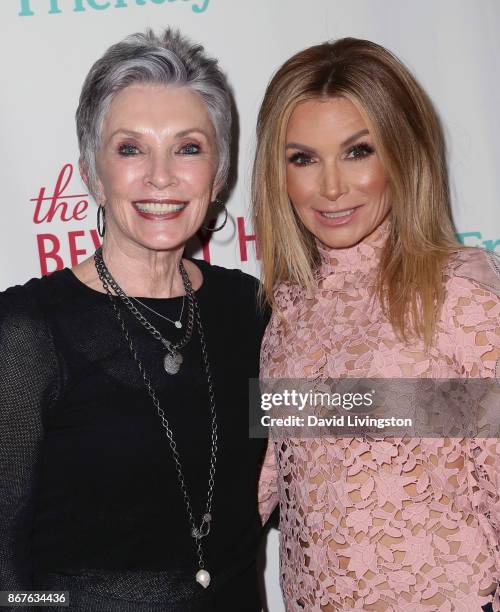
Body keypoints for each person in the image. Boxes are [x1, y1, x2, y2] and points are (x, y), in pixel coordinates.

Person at [0, 29, 267, 611]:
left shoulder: (248, 311)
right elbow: (7, 580)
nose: (161, 177)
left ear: (219, 173)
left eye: (188, 148)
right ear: (92, 173)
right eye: (130, 149)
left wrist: (471, 396)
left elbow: (336, 418)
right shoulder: (24, 330)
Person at [254, 38, 500, 611]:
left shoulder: (457, 292)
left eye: (358, 151)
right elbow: (272, 470)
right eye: (303, 158)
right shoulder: (290, 307)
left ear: (403, 153)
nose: (331, 186)